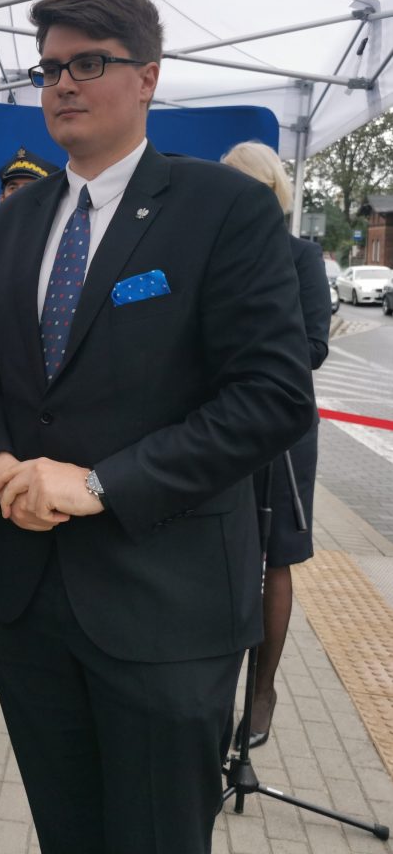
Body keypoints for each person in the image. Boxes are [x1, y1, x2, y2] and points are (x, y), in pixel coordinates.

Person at [0, 0, 316, 854]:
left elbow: (271, 395)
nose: (62, 84)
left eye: (87, 63)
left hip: (167, 609)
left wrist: (98, 485)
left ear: (148, 77)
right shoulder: (14, 223)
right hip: (30, 603)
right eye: (48, 68)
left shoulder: (221, 209)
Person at [222, 140, 331, 748]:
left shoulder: (300, 257)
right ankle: (215, 687)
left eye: (248, 188)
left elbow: (313, 346)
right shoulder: (211, 252)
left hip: (281, 432)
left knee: (276, 557)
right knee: (220, 548)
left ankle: (262, 690)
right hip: (219, 426)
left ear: (271, 193)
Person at [0, 145, 58, 641]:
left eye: (26, 189)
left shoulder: (68, 249)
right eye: (9, 189)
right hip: (4, 441)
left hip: (77, 467)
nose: (15, 197)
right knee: (0, 526)